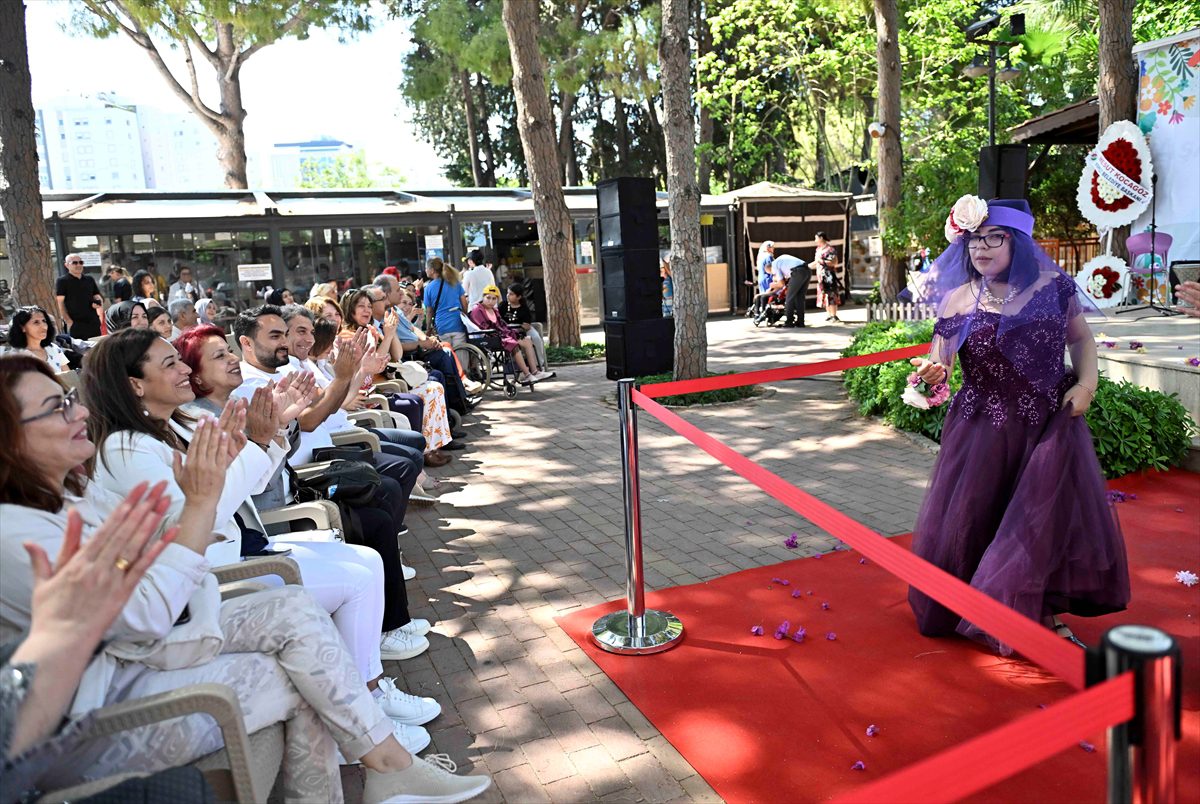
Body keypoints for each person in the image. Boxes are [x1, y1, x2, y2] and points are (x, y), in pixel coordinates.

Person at [0, 355, 493, 803]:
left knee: (301, 608)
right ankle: (384, 752)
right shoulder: (51, 505)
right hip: (106, 704)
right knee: (309, 676)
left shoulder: (82, 484)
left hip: (167, 624)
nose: (79, 412)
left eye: (71, 400)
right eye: (57, 407)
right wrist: (212, 487)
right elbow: (154, 604)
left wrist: (261, 439)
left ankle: (387, 760)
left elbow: (201, 521)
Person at [905, 197, 1129, 653]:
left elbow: (1082, 340)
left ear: (1018, 242)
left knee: (1038, 524)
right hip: (980, 429)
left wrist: (1087, 384)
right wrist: (932, 373)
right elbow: (940, 359)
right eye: (973, 241)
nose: (981, 249)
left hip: (1046, 424)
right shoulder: (959, 298)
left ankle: (1040, 614)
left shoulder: (1053, 286)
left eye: (994, 238)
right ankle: (980, 606)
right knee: (979, 517)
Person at [469, 285, 547, 384]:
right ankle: (527, 375)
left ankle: (535, 372)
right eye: (488, 298)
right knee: (513, 344)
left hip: (502, 335)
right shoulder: (477, 311)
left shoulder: (495, 310)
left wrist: (513, 332)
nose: (490, 301)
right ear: (483, 297)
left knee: (527, 340)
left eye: (494, 299)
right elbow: (483, 328)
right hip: (489, 338)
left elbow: (502, 325)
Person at [499, 283, 553, 379]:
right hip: (507, 331)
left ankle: (539, 365)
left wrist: (519, 330)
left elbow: (527, 325)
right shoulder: (502, 306)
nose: (508, 295)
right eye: (507, 293)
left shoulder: (524, 308)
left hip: (522, 329)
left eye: (511, 294)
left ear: (518, 297)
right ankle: (527, 368)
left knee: (536, 338)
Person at [1, 307, 70, 372]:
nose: (44, 326)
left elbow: (68, 377)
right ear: (22, 327)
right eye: (36, 322)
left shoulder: (53, 348)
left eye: (44, 321)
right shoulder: (16, 357)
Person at [54, 254, 103, 340]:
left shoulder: (89, 279)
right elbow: (59, 303)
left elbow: (97, 296)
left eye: (81, 262)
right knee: (79, 351)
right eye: (75, 263)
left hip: (93, 322)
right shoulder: (62, 281)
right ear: (66, 265)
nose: (78, 265)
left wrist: (98, 304)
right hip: (76, 324)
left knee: (97, 350)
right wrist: (68, 321)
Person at [423, 258, 468, 348]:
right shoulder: (455, 283)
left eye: (426, 268)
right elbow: (464, 303)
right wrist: (465, 316)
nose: (425, 270)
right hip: (458, 323)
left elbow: (429, 312)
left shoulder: (429, 288)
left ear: (432, 270)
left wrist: (428, 328)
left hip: (442, 326)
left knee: (447, 354)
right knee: (462, 355)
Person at [811, 232, 842, 323]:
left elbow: (834, 262)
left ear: (821, 238)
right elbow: (816, 262)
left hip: (828, 276)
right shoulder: (818, 249)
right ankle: (829, 314)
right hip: (820, 276)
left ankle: (834, 315)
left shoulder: (830, 249)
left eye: (816, 238)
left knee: (831, 293)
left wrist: (821, 261)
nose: (815, 240)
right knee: (824, 294)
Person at [774, 254, 811, 328]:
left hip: (797, 271)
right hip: (807, 270)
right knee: (800, 298)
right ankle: (800, 322)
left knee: (789, 297)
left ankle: (789, 322)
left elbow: (781, 283)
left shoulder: (774, 265)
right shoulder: (781, 260)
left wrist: (773, 285)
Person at [753, 240, 775, 317]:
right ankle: (764, 313)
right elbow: (771, 268)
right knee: (767, 294)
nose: (773, 249)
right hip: (767, 278)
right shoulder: (769, 256)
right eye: (772, 247)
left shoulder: (761, 256)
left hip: (761, 277)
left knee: (762, 294)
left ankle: (758, 312)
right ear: (768, 248)